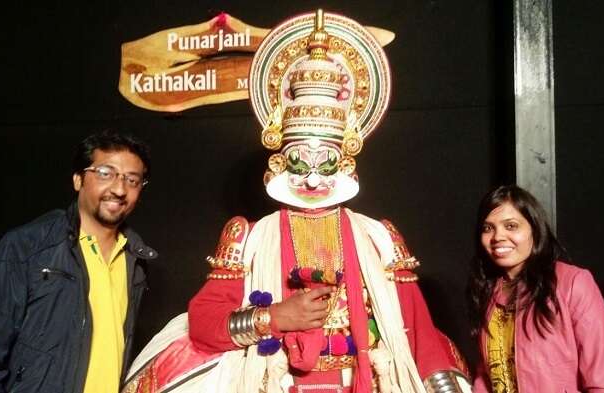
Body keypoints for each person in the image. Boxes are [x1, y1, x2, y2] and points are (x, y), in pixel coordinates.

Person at [122, 10, 469, 393]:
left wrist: (447, 387)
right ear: (279, 161)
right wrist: (274, 317)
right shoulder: (247, 237)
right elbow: (204, 324)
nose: (313, 176)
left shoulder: (378, 237)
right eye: (299, 160)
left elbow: (419, 332)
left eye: (327, 162)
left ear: (347, 161)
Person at [0, 130, 158, 393]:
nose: (119, 189)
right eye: (105, 173)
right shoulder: (27, 248)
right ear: (78, 179)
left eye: (132, 180)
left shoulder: (135, 259)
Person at [467, 185, 604, 393]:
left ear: (534, 229)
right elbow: (487, 376)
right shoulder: (490, 293)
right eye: (488, 228)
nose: (498, 236)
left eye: (511, 226)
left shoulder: (572, 283)